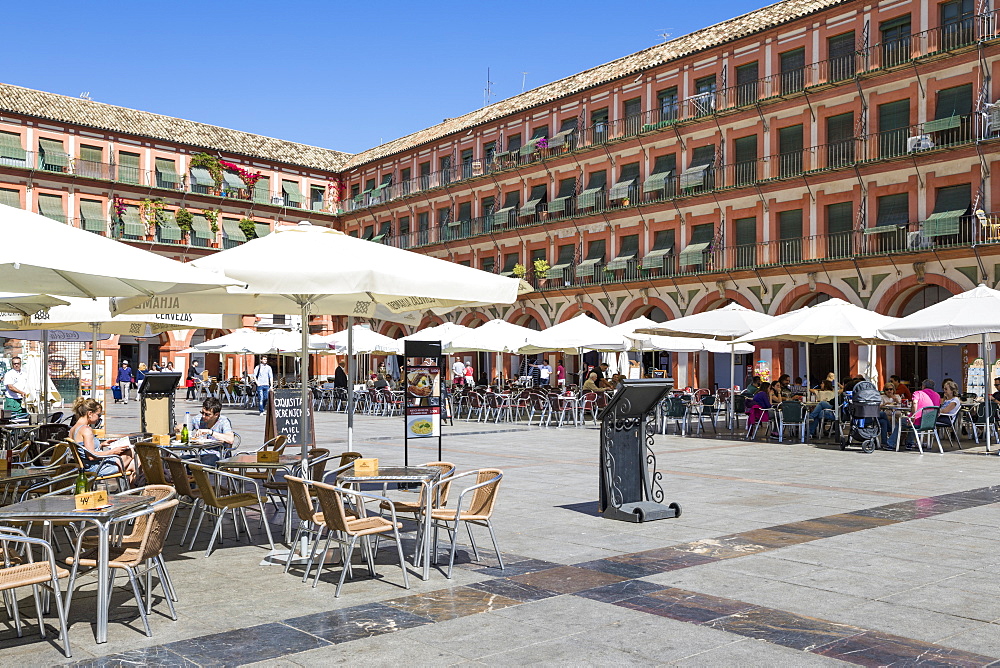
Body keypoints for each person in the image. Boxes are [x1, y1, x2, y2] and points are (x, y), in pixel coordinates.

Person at [69, 397, 133, 479]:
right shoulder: (86, 429)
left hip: (87, 467)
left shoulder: (73, 429)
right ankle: (137, 489)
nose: (99, 418)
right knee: (132, 452)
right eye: (98, 415)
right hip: (97, 468)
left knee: (134, 465)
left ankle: (134, 488)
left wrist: (101, 445)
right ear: (90, 414)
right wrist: (113, 451)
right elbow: (91, 456)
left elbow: (83, 450)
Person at [889, 379, 940, 449]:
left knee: (903, 421)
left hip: (918, 422)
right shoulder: (937, 395)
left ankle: (891, 444)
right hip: (930, 423)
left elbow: (915, 402)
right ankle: (910, 443)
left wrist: (913, 416)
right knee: (912, 421)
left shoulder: (918, 393)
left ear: (923, 386)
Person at [188, 397, 235, 466]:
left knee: (198, 464)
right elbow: (185, 427)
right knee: (179, 461)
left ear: (216, 415)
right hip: (200, 455)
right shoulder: (198, 419)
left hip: (218, 456)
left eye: (207, 414)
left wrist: (210, 432)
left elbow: (230, 439)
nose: (203, 416)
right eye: (202, 413)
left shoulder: (223, 421)